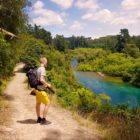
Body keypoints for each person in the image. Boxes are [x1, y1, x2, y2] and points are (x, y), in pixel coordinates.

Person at [36, 57, 51, 125]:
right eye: (46, 61)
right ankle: (43, 120)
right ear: (44, 61)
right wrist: (47, 84)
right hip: (41, 90)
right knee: (47, 103)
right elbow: (41, 79)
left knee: (38, 103)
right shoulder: (42, 69)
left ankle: (38, 118)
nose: (47, 63)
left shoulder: (38, 69)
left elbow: (38, 79)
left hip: (37, 89)